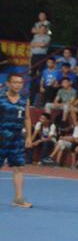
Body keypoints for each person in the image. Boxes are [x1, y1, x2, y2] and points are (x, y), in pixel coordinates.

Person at [0, 73, 33, 208]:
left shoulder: (25, 100)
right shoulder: (1, 98)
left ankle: (18, 199)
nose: (18, 85)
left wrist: (29, 137)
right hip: (2, 137)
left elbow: (27, 118)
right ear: (8, 83)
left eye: (20, 83)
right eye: (15, 82)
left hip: (17, 138)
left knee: (19, 167)